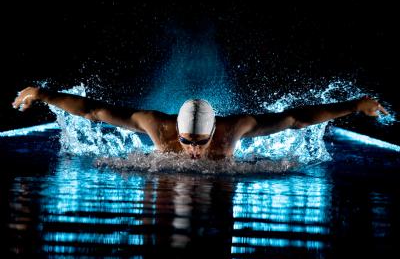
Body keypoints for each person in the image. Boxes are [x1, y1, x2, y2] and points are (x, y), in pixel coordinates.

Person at [12, 87, 388, 160]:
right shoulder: (156, 127)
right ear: (175, 129)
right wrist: (43, 95)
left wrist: (355, 105)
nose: (191, 150)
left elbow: (294, 119)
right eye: (187, 140)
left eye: (199, 142)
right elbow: (94, 111)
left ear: (213, 132)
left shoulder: (231, 132)